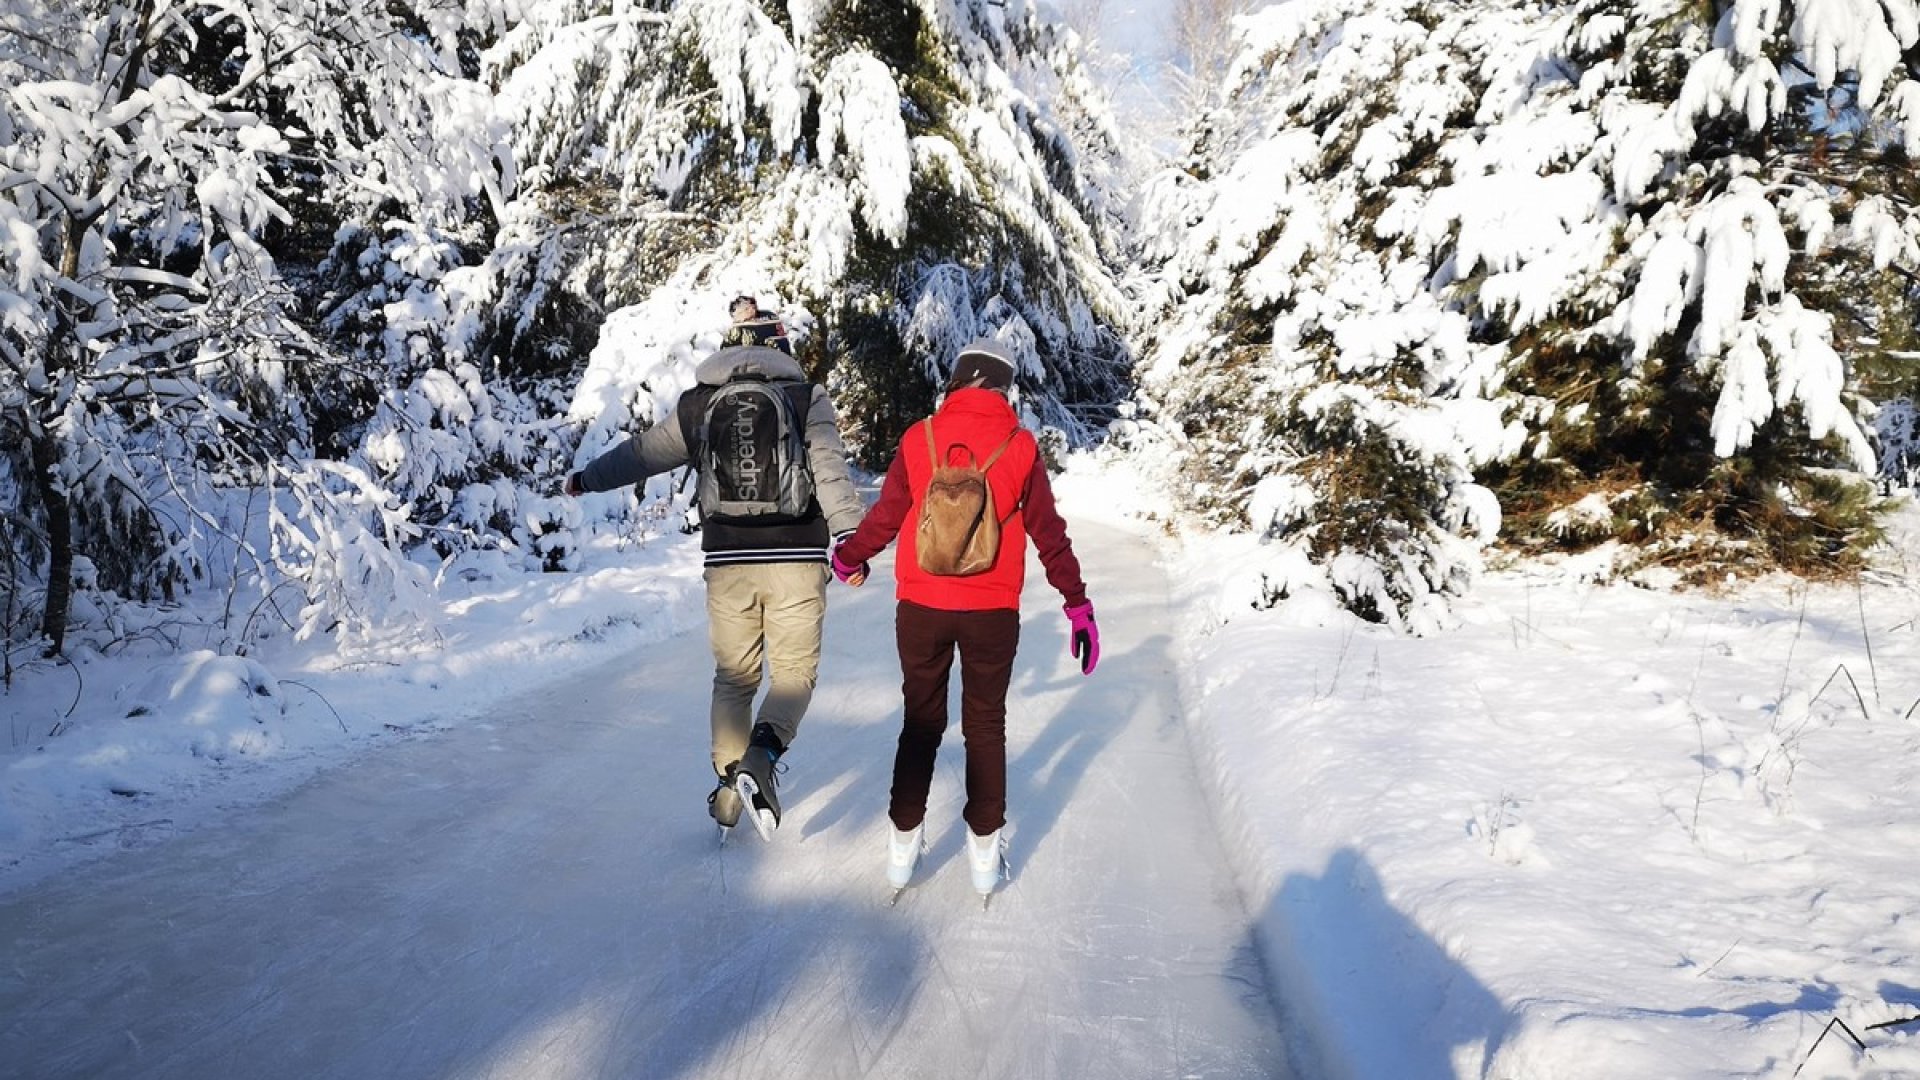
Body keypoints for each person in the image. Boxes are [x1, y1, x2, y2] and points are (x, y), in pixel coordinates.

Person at [829, 339, 1100, 901]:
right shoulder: (1020, 448)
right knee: (984, 725)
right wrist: (1077, 604)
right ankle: (983, 854)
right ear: (1005, 390)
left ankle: (902, 849)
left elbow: (887, 516)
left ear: (955, 382)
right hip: (991, 613)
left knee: (921, 724)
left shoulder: (917, 438)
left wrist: (850, 557)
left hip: (921, 608)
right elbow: (1048, 534)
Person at [563, 336, 863, 841]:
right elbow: (829, 467)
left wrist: (586, 479)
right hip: (796, 559)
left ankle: (729, 793)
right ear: (782, 350)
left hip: (727, 561)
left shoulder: (697, 404)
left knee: (734, 679)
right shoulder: (804, 396)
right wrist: (850, 532)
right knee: (792, 675)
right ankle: (761, 758)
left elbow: (642, 454)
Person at [720, 294, 792, 355]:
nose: (752, 309)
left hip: (772, 360)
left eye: (751, 307)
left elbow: (781, 341)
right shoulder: (737, 328)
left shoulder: (769, 318)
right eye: (746, 309)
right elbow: (726, 351)